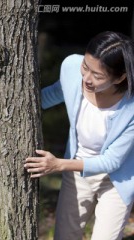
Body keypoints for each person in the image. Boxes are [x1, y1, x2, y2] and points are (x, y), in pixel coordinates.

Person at [24, 31, 134, 240]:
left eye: (98, 75)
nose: (87, 78)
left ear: (120, 77)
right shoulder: (72, 68)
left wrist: (58, 165)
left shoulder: (131, 106)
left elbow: (112, 161)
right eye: (86, 66)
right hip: (76, 172)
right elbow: (56, 93)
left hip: (116, 179)